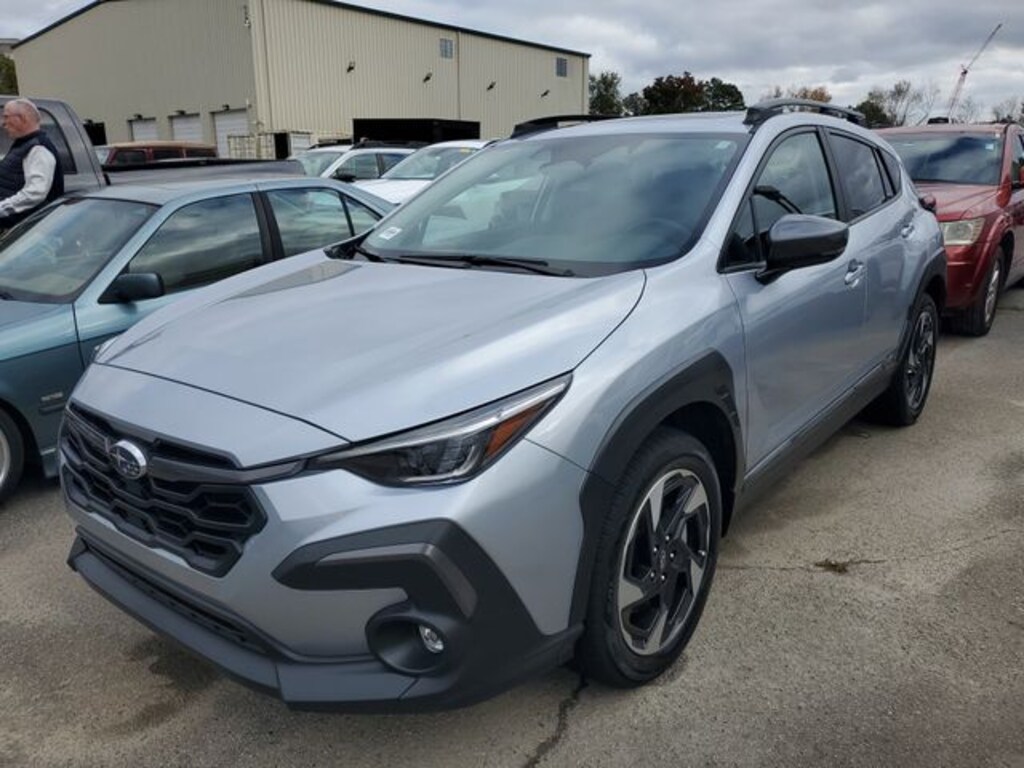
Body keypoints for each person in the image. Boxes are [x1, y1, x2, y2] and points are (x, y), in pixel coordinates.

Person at [0, 98, 64, 230]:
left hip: (28, 232)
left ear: (22, 118)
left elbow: (35, 193)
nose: (3, 123)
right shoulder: (24, 145)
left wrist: (2, 208)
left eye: (6, 117)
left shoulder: (39, 149)